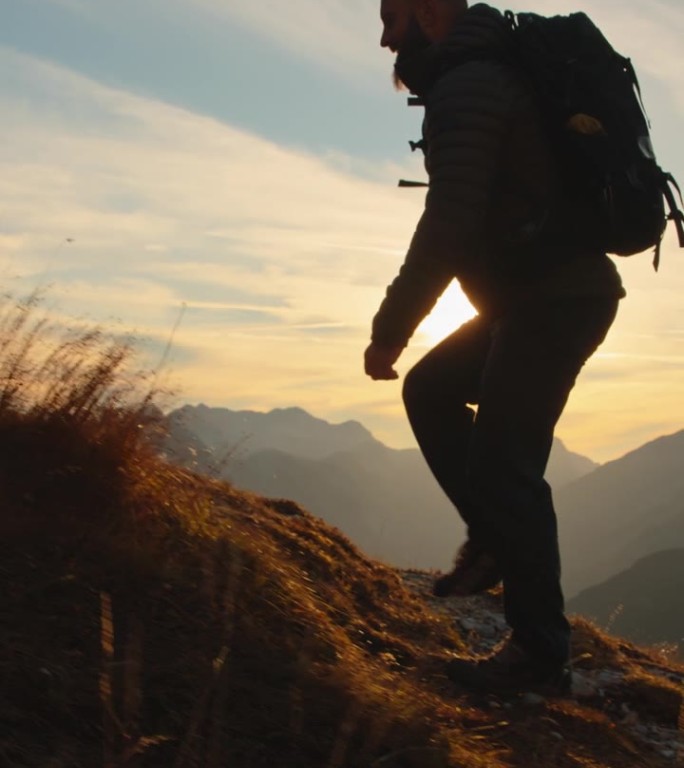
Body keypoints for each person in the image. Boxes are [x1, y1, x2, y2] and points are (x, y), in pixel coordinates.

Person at [364, 0, 626, 695]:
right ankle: (493, 543)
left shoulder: (470, 84)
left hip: (555, 299)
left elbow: (450, 223)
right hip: (538, 298)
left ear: (430, 11)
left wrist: (390, 328)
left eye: (392, 16)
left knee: (507, 461)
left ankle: (540, 656)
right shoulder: (475, 72)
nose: (384, 35)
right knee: (433, 390)